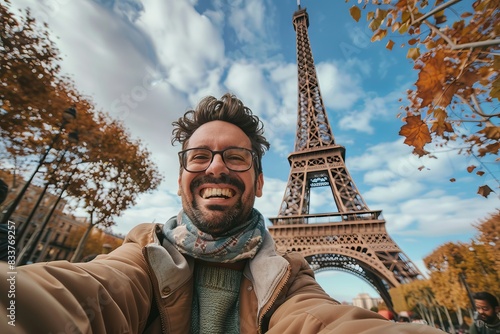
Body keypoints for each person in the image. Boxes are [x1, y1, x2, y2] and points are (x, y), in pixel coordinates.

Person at [0, 93, 444, 333]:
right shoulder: (141, 260)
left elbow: (319, 320)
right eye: (200, 156)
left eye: (236, 157)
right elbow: (86, 294)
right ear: (180, 179)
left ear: (260, 181)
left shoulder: (288, 279)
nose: (216, 167)